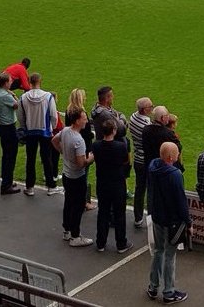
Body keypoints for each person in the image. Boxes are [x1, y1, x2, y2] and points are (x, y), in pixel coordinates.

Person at [147, 142, 191, 304]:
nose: (179, 155)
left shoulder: (153, 167)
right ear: (171, 157)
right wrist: (188, 222)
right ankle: (169, 292)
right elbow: (181, 201)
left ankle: (153, 286)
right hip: (171, 220)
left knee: (158, 251)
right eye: (177, 153)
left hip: (158, 217)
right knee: (170, 256)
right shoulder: (175, 174)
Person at [91, 119, 131, 252]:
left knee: (103, 212)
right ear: (114, 131)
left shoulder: (96, 146)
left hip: (103, 182)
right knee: (119, 214)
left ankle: (100, 243)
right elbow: (126, 161)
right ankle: (121, 243)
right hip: (117, 183)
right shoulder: (121, 146)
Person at [18, 73, 60, 196]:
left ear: (30, 82)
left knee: (30, 159)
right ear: (40, 82)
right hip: (45, 131)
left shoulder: (24, 97)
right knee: (47, 158)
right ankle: (51, 186)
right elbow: (54, 115)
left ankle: (30, 187)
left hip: (30, 131)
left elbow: (20, 116)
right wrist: (51, 127)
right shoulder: (47, 97)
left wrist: (25, 127)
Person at [56, 110, 94, 246]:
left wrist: (64, 153)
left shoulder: (66, 130)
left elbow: (54, 140)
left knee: (68, 203)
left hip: (67, 174)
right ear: (77, 121)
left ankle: (66, 231)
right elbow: (81, 164)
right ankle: (75, 236)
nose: (86, 121)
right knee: (78, 207)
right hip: (76, 177)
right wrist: (91, 158)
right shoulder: (78, 140)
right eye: (84, 118)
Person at [0, 72, 23, 195]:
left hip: (2, 127)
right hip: (8, 128)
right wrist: (15, 96)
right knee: (10, 156)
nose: (12, 82)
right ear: (5, 83)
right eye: (10, 81)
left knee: (6, 155)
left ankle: (8, 181)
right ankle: (6, 185)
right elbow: (18, 105)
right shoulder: (5, 96)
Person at [128, 98, 156, 226]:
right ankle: (151, 219)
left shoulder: (133, 117)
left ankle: (138, 217)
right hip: (145, 160)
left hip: (137, 158)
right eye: (151, 106)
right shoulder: (147, 126)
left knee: (139, 189)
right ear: (145, 109)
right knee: (150, 190)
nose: (152, 108)